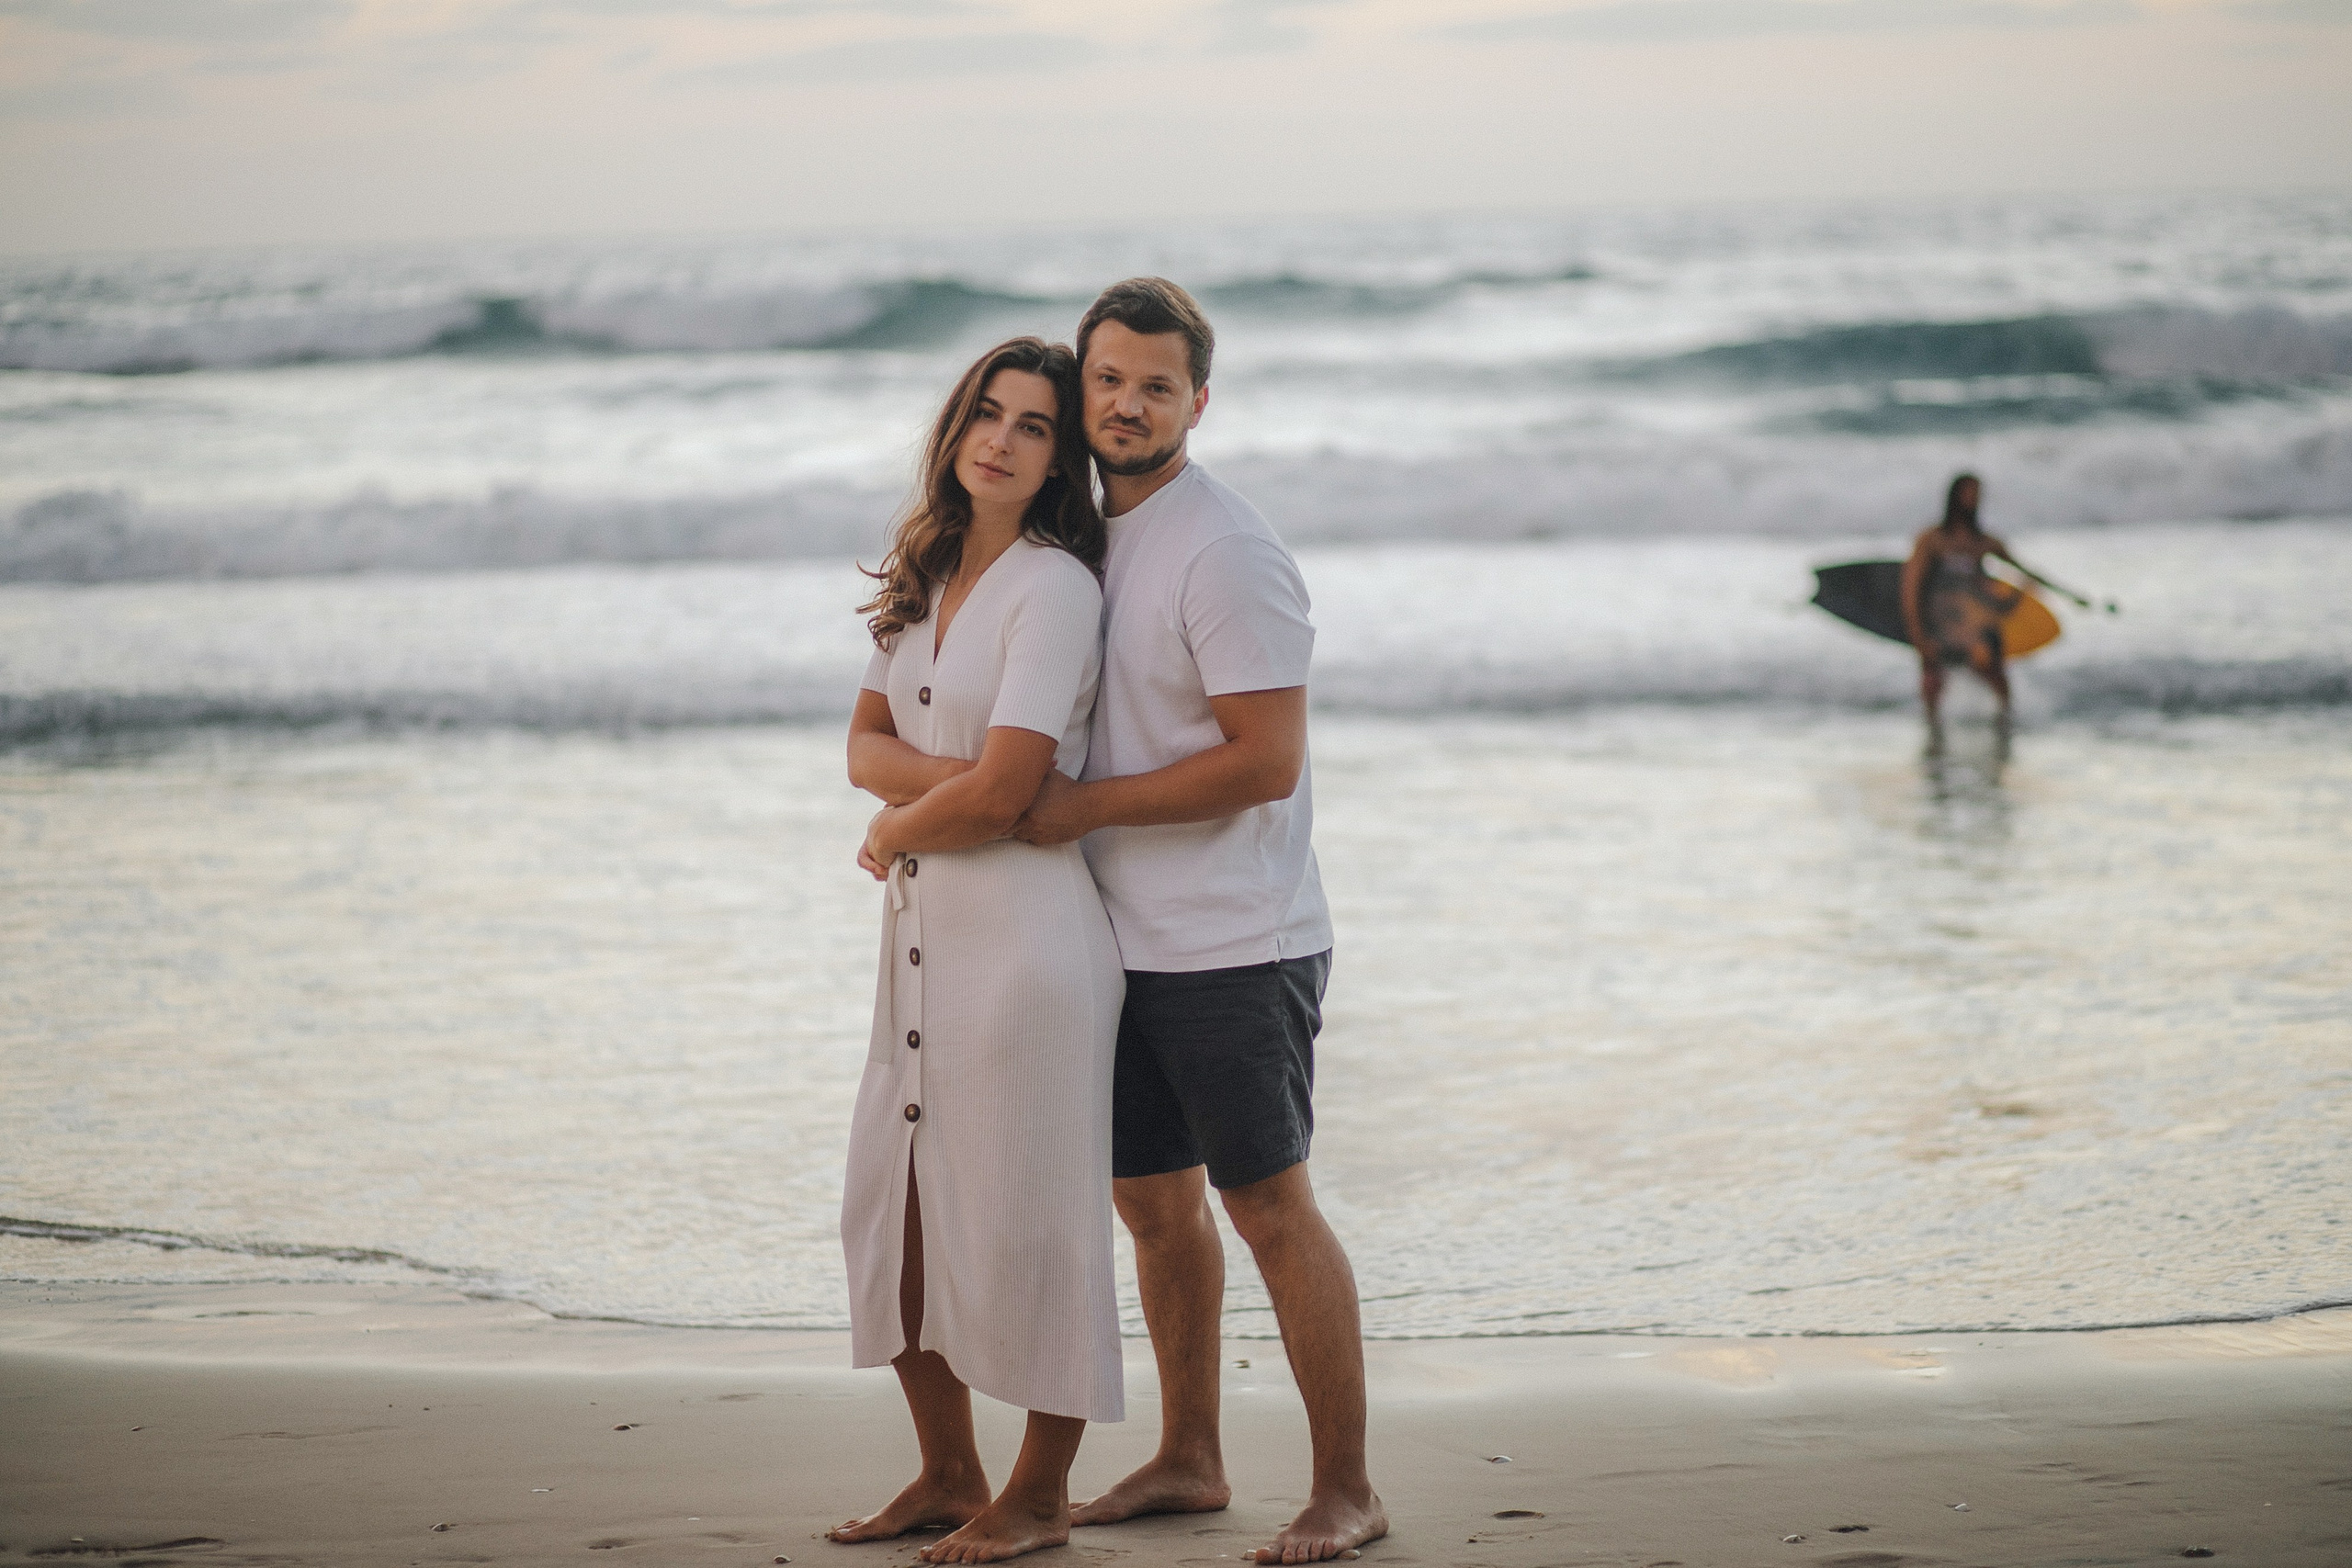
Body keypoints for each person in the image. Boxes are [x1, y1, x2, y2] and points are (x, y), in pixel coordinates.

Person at [1011, 278, 1388, 1567]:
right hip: (1118, 938)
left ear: (1197, 401)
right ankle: (1189, 1453)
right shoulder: (1086, 537)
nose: (1126, 403)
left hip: (1239, 939)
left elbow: (1264, 758)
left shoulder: (1225, 549)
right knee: (1153, 1208)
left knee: (1269, 1206)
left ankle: (1346, 1485)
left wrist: (1080, 810)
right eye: (1107, 379)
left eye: (1155, 385)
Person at [832, 337, 1125, 1565]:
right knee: (891, 1206)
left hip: (1028, 952)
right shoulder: (933, 568)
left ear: (1060, 460)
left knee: (1034, 1218)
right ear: (957, 429)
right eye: (987, 415)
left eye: (1037, 425)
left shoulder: (1055, 585)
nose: (1002, 438)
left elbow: (1016, 795)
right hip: (924, 944)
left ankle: (1043, 1491)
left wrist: (906, 819)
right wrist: (939, 797)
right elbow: (864, 738)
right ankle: (950, 1469)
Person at [1901, 472, 2037, 734]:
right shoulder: (1932, 540)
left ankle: (2004, 726)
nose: (1973, 500)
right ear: (1954, 497)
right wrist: (1918, 634)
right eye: (1968, 493)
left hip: (1977, 621)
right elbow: (1912, 588)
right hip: (1941, 621)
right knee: (1933, 681)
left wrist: (2073, 597)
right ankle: (1933, 733)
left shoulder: (1984, 543)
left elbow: (2025, 571)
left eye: (1977, 494)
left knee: (1993, 672)